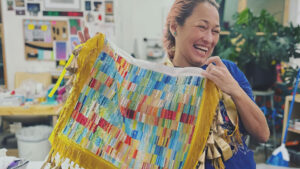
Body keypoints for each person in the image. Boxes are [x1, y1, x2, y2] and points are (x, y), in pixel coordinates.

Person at [77, 0, 269, 168]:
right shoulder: (154, 82)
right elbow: (118, 122)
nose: (209, 39)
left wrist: (233, 88)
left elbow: (263, 134)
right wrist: (97, 72)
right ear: (175, 27)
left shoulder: (228, 71)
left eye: (215, 31)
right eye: (202, 27)